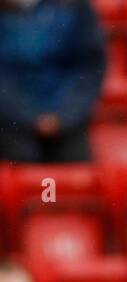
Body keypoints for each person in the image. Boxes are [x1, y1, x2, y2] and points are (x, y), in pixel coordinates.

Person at [0, 0, 105, 164]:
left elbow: (90, 68)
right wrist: (30, 116)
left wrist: (63, 116)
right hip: (11, 126)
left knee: (75, 173)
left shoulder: (75, 8)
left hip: (68, 125)